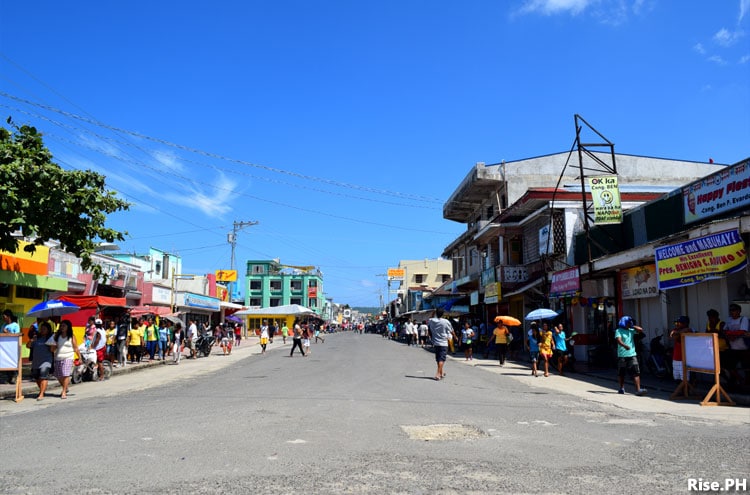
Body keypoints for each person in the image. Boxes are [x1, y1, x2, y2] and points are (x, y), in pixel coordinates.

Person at [614, 316, 647, 395]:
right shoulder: (618, 330)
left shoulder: (631, 330)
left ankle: (638, 390)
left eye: (630, 322)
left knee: (636, 372)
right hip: (622, 355)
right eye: (628, 322)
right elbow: (618, 340)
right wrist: (624, 345)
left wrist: (632, 325)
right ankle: (621, 388)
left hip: (632, 354)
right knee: (622, 373)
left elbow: (640, 330)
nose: (629, 323)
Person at [47, 319, 78, 399]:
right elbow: (51, 350)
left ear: (68, 327)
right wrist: (54, 344)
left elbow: (76, 348)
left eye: (64, 326)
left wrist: (80, 357)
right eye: (61, 326)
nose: (62, 327)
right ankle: (66, 387)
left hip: (68, 357)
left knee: (65, 374)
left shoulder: (71, 337)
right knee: (58, 375)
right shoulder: (56, 336)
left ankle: (63, 391)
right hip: (58, 358)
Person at [27, 321, 54, 400]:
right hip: (36, 361)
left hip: (46, 361)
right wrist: (31, 340)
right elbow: (28, 346)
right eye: (41, 329)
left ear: (48, 330)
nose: (42, 330)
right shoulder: (36, 338)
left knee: (43, 376)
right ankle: (42, 389)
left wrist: (52, 343)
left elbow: (52, 350)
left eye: (44, 329)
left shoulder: (50, 338)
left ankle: (41, 393)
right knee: (36, 376)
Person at [428, 308, 457, 381]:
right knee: (441, 359)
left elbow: (430, 318)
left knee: (438, 359)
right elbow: (451, 331)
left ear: (436, 313)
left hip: (436, 342)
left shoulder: (432, 321)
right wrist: (455, 337)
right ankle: (438, 374)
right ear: (443, 314)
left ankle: (441, 373)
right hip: (443, 343)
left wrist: (433, 312)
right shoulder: (446, 321)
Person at [724, 304, 749, 388]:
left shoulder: (743, 319)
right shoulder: (729, 319)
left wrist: (731, 334)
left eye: (734, 310)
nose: (732, 312)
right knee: (729, 366)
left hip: (744, 348)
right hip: (733, 348)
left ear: (739, 311)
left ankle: (747, 384)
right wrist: (731, 334)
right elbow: (724, 330)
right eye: (731, 310)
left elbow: (742, 331)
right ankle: (739, 380)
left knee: (746, 367)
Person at [670, 315, 695, 382]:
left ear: (685, 323)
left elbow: (689, 330)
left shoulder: (690, 330)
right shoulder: (675, 330)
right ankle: (680, 392)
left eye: (679, 323)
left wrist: (678, 332)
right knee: (677, 379)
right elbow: (673, 337)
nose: (677, 324)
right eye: (676, 323)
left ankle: (687, 392)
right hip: (676, 359)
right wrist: (678, 332)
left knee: (686, 380)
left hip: (685, 360)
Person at [1, 309, 21, 383]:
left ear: (8, 316)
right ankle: (9, 377)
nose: (3, 318)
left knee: (12, 362)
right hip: (4, 347)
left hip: (13, 347)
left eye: (4, 316)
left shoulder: (15, 325)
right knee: (6, 362)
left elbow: (17, 335)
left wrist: (8, 333)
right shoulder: (3, 325)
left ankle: (14, 376)